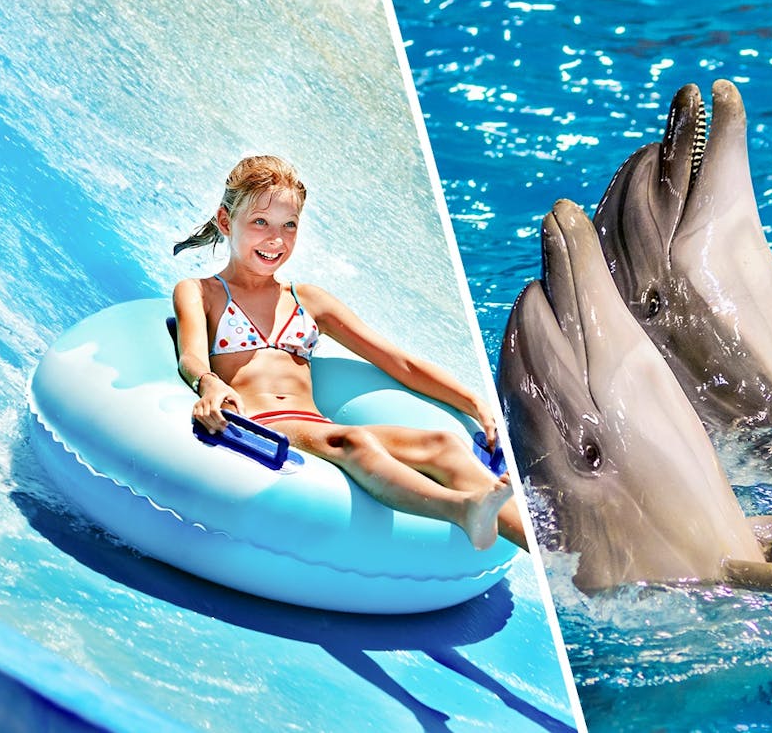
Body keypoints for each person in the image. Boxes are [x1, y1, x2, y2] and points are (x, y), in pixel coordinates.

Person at [172, 155, 527, 552]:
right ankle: (462, 510)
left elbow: (398, 361)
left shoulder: (307, 300)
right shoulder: (202, 292)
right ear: (225, 222)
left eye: (289, 226)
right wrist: (209, 384)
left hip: (313, 423)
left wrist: (476, 403)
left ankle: (542, 545)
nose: (276, 240)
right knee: (354, 442)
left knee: (443, 444)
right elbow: (192, 356)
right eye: (260, 223)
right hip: (261, 423)